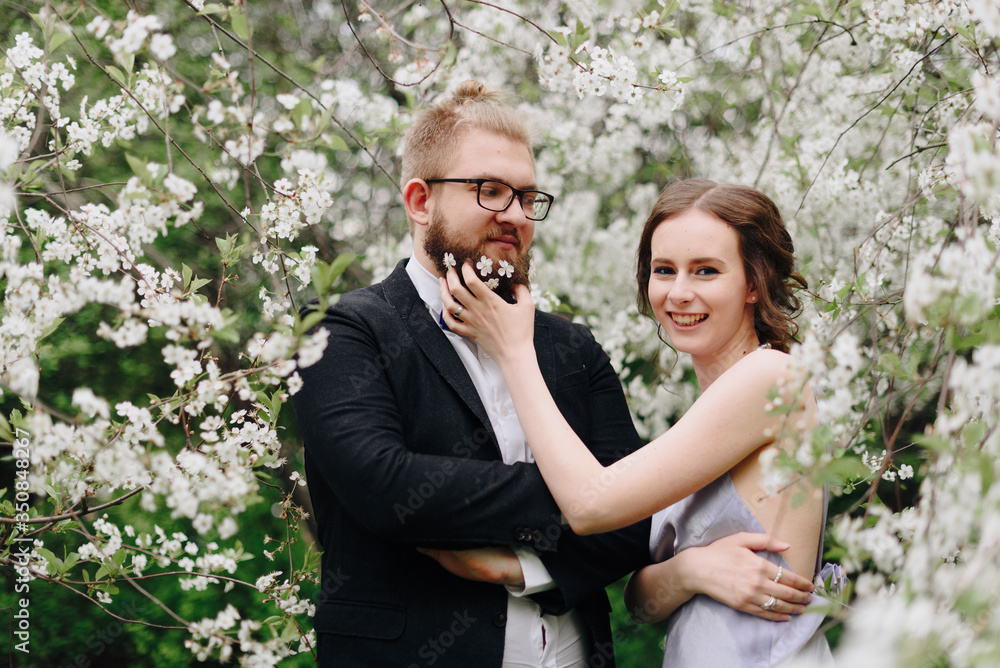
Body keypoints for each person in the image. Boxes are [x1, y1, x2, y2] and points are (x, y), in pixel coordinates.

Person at [293, 80, 811, 668]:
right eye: (490, 191)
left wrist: (525, 566)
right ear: (420, 201)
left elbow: (628, 523)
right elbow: (385, 488)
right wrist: (581, 492)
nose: (514, 214)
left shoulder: (571, 348)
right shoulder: (346, 334)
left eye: (527, 196)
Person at [436, 178, 836, 667]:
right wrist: (691, 571)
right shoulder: (714, 409)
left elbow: (588, 505)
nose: (680, 292)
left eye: (706, 270)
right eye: (664, 270)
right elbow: (640, 602)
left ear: (754, 282)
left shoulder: (774, 378)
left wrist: (515, 352)